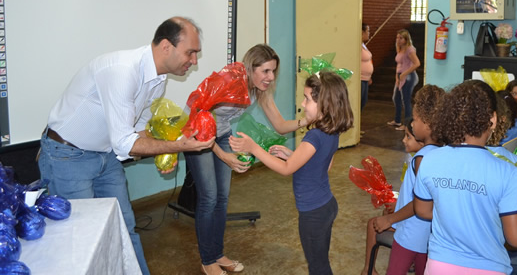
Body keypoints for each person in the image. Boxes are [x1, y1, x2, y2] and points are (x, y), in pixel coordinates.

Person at [38, 17, 216, 275]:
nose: (194, 61)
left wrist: (166, 153)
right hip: (67, 156)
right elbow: (125, 144)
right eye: (190, 52)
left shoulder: (158, 80)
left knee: (123, 228)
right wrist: (177, 147)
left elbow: (138, 129)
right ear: (166, 46)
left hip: (105, 155)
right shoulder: (122, 71)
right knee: (80, 240)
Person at [185, 44, 309, 275]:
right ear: (251, 68)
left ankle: (217, 253)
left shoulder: (259, 89)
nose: (271, 77)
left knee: (222, 198)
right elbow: (197, 115)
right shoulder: (228, 81)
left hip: (221, 133)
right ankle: (207, 260)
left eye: (273, 71)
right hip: (197, 134)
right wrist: (224, 156)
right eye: (265, 71)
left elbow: (281, 125)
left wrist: (309, 120)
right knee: (209, 197)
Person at [229, 71, 353, 275]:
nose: (303, 104)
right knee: (320, 261)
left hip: (312, 213)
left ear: (325, 104)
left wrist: (254, 148)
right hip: (326, 206)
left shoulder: (314, 135)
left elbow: (286, 169)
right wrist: (292, 156)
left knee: (318, 266)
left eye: (307, 99)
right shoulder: (331, 131)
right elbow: (323, 165)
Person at [413, 79, 517, 274]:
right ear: (493, 119)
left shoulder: (429, 160)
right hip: (489, 268)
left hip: (439, 266)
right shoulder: (508, 172)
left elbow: (423, 211)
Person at [360, 84, 445, 275]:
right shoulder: (442, 154)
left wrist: (389, 219)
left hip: (410, 235)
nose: (412, 124)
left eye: (415, 119)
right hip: (429, 237)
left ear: (428, 124)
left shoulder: (421, 159)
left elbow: (422, 203)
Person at [387, 29, 420, 130]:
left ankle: (407, 124)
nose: (398, 40)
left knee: (406, 100)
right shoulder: (400, 49)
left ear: (406, 39)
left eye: (401, 38)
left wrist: (404, 74)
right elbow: (399, 65)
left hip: (408, 76)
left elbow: (417, 63)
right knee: (396, 98)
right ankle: (397, 120)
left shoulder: (410, 50)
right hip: (400, 75)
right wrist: (397, 77)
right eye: (397, 37)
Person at [361, 23, 374, 111]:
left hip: (366, 78)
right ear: (362, 32)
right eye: (368, 31)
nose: (369, 33)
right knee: (360, 102)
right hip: (360, 78)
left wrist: (369, 76)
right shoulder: (357, 45)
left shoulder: (363, 45)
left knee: (364, 101)